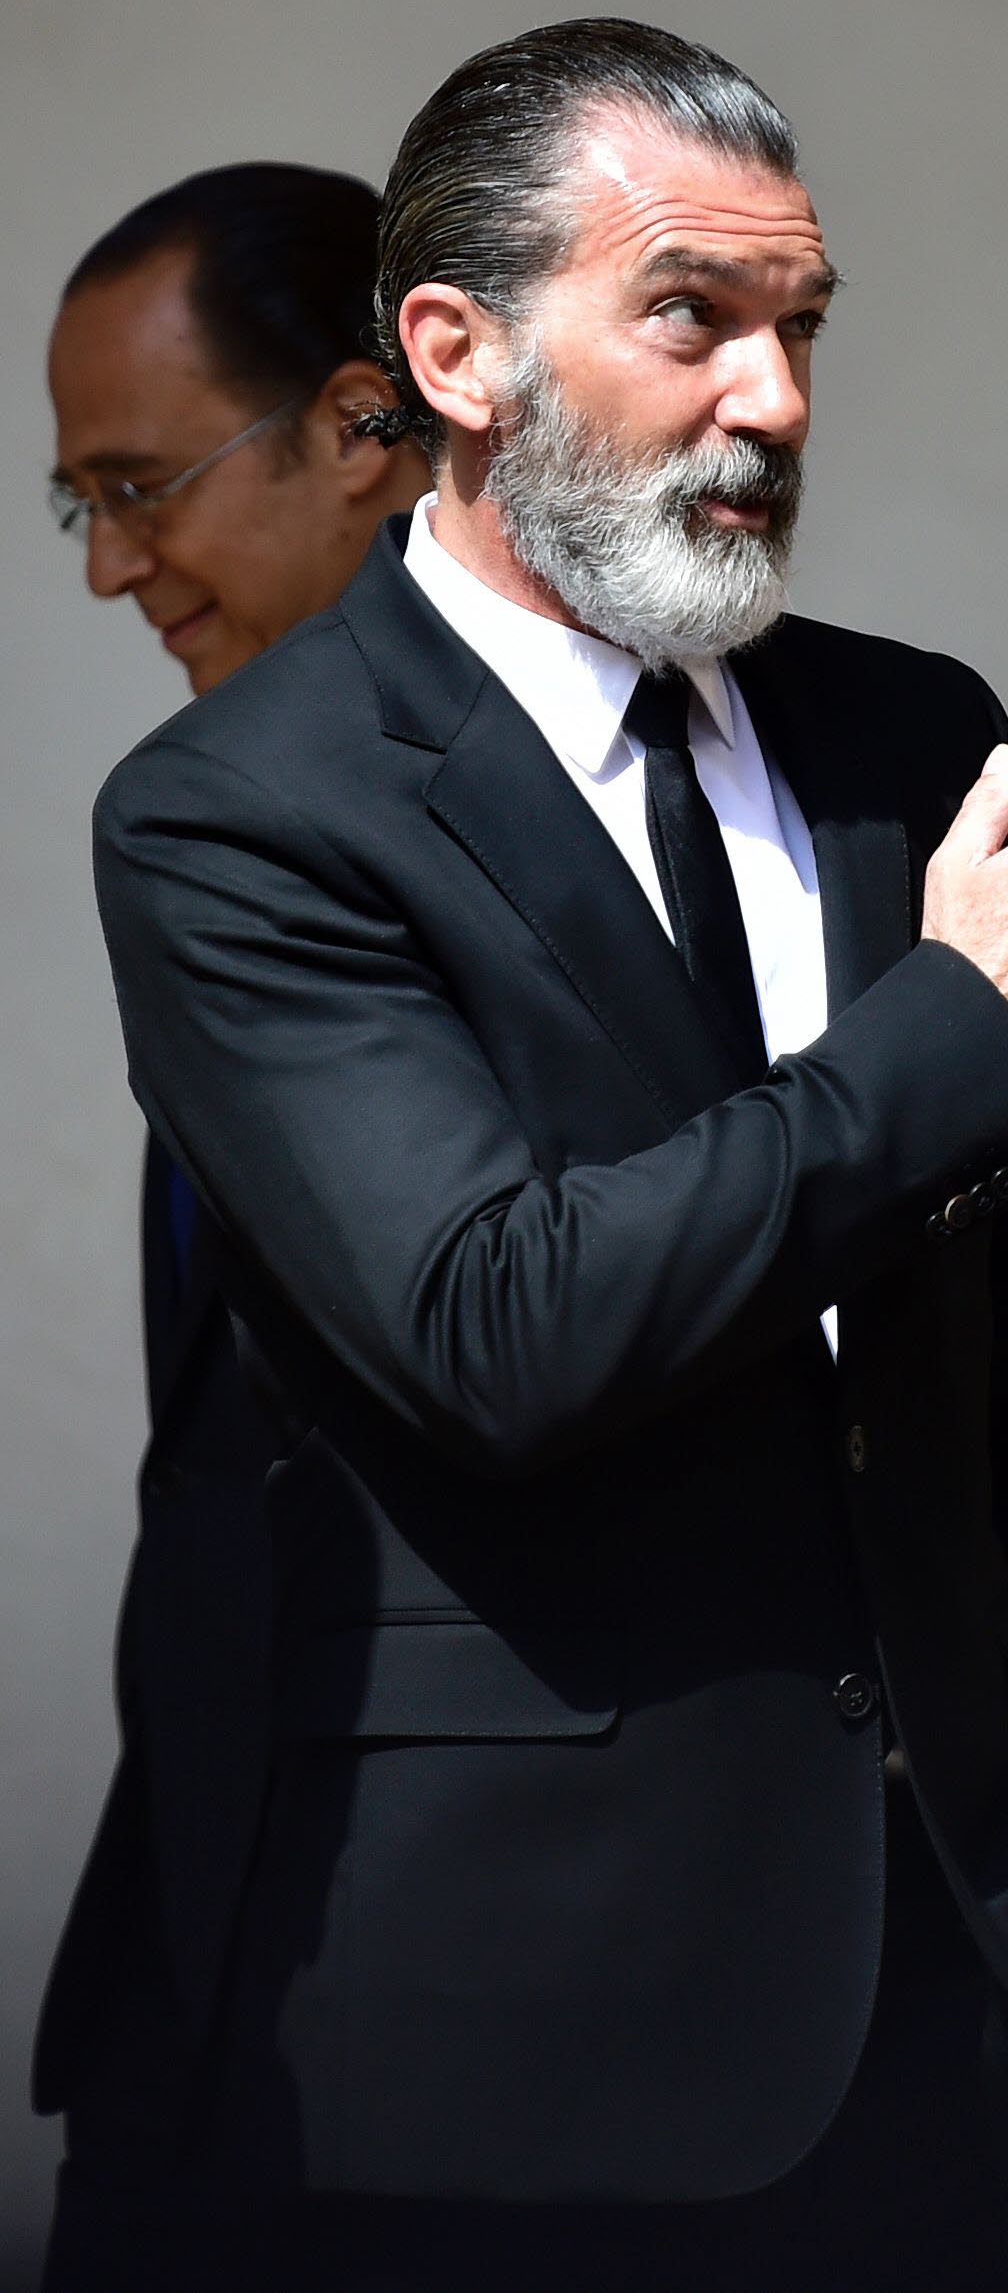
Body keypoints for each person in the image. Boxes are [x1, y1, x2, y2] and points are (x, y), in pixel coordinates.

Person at [79, 18, 1008, 2291]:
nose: (775, 403)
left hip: (974, 2039)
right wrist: (961, 1029)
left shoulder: (917, 740)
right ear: (456, 355)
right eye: (691, 317)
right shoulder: (238, 816)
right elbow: (502, 1325)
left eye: (802, 329)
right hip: (513, 2085)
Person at [38, 164, 430, 2290]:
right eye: (69, 500)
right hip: (197, 2011)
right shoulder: (220, 844)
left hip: (484, 2056)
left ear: (368, 427)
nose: (109, 564)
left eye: (143, 483)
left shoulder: (611, 841)